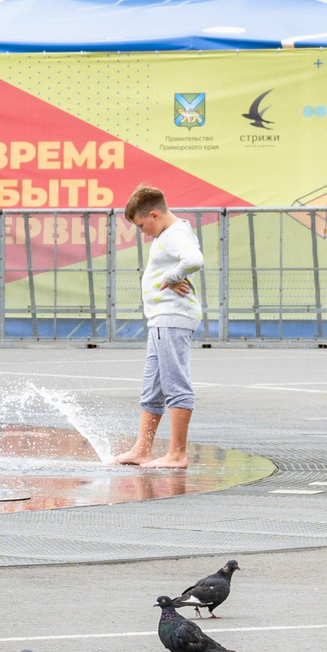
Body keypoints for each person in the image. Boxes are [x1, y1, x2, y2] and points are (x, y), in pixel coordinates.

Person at [117, 185, 202, 469]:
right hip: (161, 320)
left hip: (172, 318)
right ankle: (142, 449)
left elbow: (194, 260)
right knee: (152, 386)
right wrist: (172, 273)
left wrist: (173, 274)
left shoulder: (173, 235)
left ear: (154, 214)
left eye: (142, 225)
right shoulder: (173, 232)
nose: (143, 232)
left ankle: (177, 454)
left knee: (175, 383)